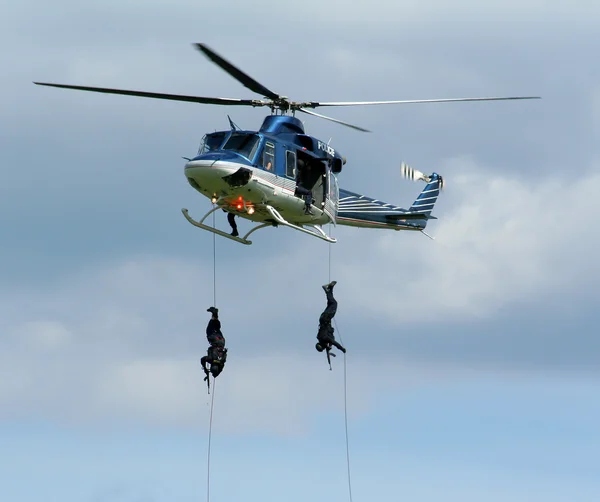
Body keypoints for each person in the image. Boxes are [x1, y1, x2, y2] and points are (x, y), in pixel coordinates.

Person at [315, 281, 346, 357]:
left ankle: (327, 290)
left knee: (334, 304)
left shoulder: (325, 338)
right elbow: (330, 340)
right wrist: (328, 346)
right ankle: (330, 289)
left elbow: (334, 342)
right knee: (330, 303)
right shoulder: (320, 338)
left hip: (326, 318)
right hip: (323, 318)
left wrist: (342, 349)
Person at [203, 307, 228, 383]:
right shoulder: (211, 359)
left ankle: (215, 314)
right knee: (209, 330)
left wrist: (213, 373)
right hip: (215, 340)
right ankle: (214, 313)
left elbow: (219, 370)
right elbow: (202, 360)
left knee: (216, 328)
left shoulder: (222, 362)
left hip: (222, 341)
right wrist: (205, 369)